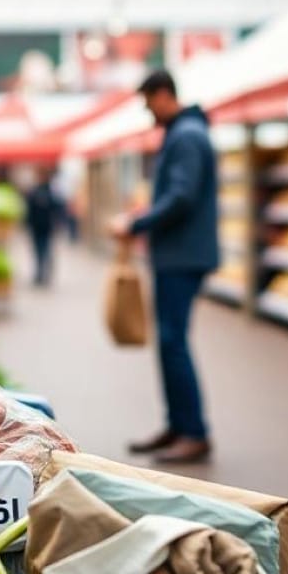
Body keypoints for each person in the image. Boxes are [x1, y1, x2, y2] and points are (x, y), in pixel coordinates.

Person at [109, 69, 219, 463]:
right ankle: (178, 424)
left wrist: (137, 223)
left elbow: (181, 197)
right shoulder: (186, 133)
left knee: (173, 342)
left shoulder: (187, 136)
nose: (147, 111)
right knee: (171, 340)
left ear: (162, 95)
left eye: (147, 102)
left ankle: (193, 431)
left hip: (183, 255)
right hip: (180, 252)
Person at [25, 166, 64, 287]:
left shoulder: (51, 191)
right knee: (38, 251)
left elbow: (58, 208)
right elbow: (29, 209)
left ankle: (44, 273)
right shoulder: (35, 191)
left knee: (45, 250)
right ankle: (39, 273)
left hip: (46, 226)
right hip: (37, 226)